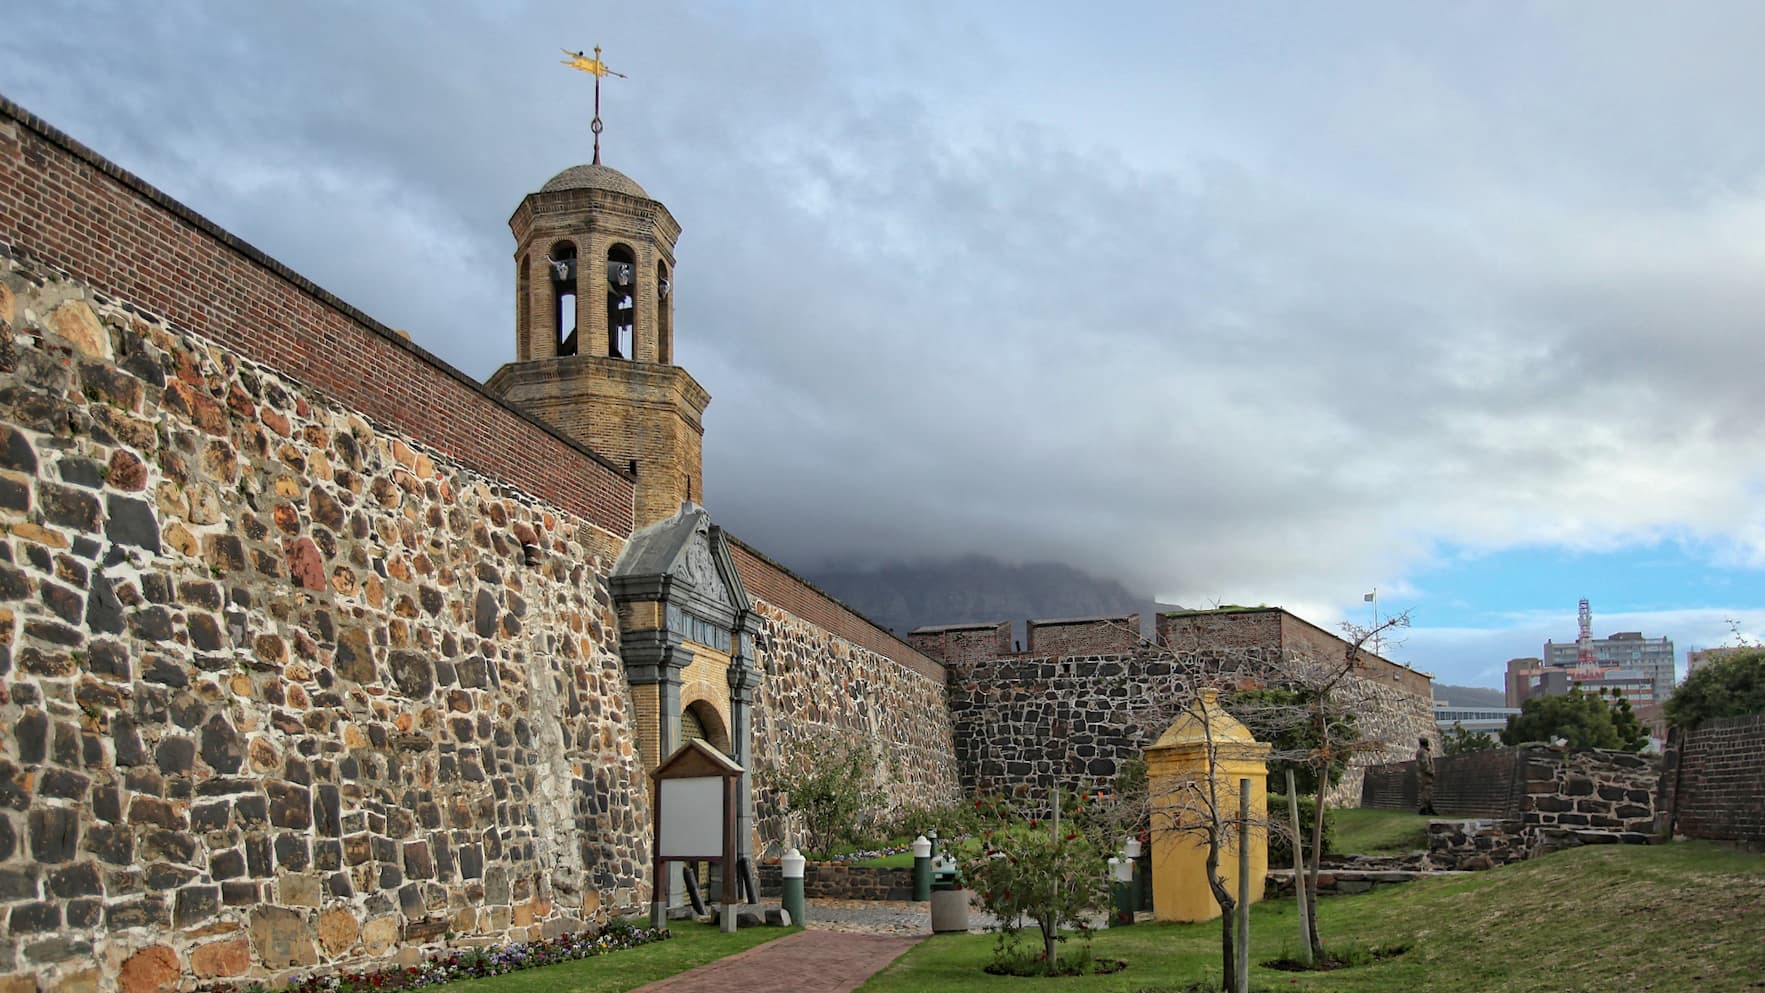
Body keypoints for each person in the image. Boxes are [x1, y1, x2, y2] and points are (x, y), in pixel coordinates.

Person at [1415, 736, 1438, 815]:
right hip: (1426, 776)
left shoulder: (1419, 752)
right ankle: (1425, 808)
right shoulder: (1424, 752)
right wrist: (1431, 772)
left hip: (1421, 775)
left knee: (1424, 792)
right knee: (1427, 792)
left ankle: (1426, 808)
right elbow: (1425, 763)